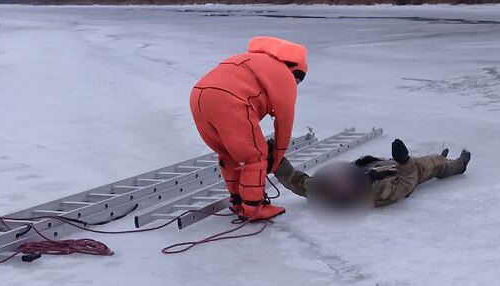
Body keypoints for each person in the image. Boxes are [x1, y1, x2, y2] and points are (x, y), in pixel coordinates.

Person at [189, 36, 307, 221]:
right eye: (298, 81)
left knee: (228, 154)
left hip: (199, 95)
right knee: (256, 156)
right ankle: (253, 208)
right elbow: (284, 121)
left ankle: (237, 202)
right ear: (294, 70)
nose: (296, 86)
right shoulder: (284, 74)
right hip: (230, 100)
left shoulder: (249, 60)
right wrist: (276, 158)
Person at [273, 138, 471, 208]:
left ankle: (440, 159)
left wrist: (277, 160)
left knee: (429, 159)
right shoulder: (376, 193)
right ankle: (458, 165)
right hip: (402, 174)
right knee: (432, 164)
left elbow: (295, 180)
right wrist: (403, 161)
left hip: (382, 165)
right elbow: (406, 183)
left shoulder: (322, 186)